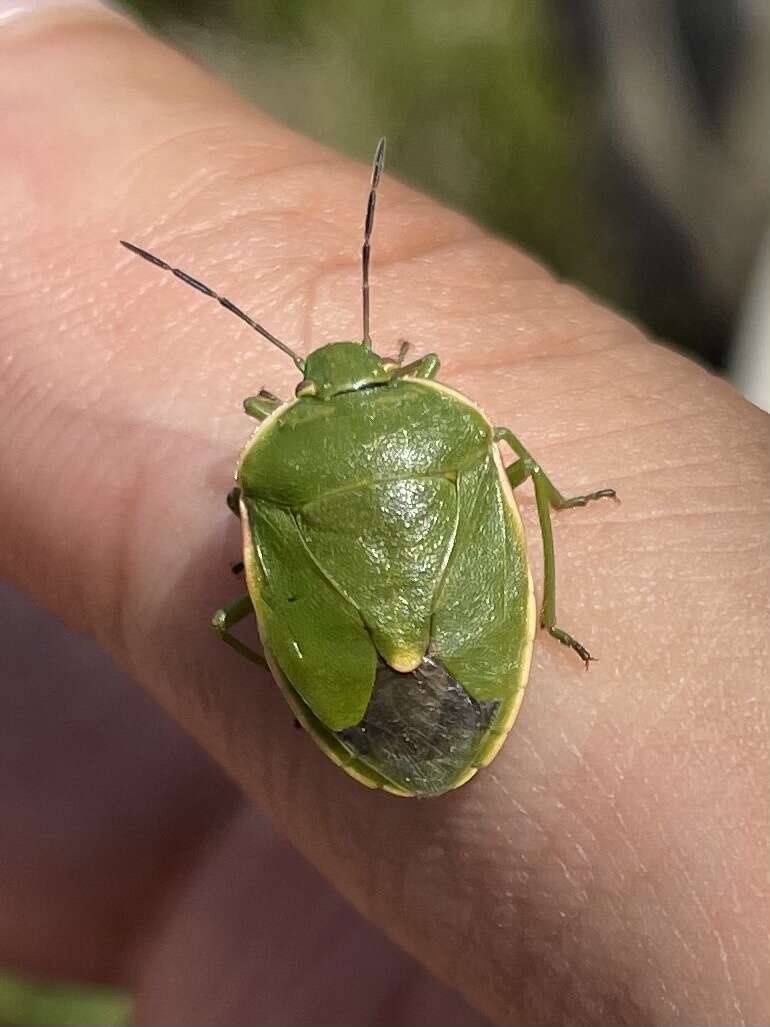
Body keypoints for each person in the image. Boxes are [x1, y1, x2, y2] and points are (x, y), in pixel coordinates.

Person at [0, 4, 767, 1024]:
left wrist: (286, 652)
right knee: (518, 465)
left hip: (323, 687)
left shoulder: (265, 471)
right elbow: (520, 473)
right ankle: (543, 621)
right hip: (458, 636)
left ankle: (317, 681)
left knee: (234, 618)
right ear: (404, 375)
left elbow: (244, 591)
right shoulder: (446, 425)